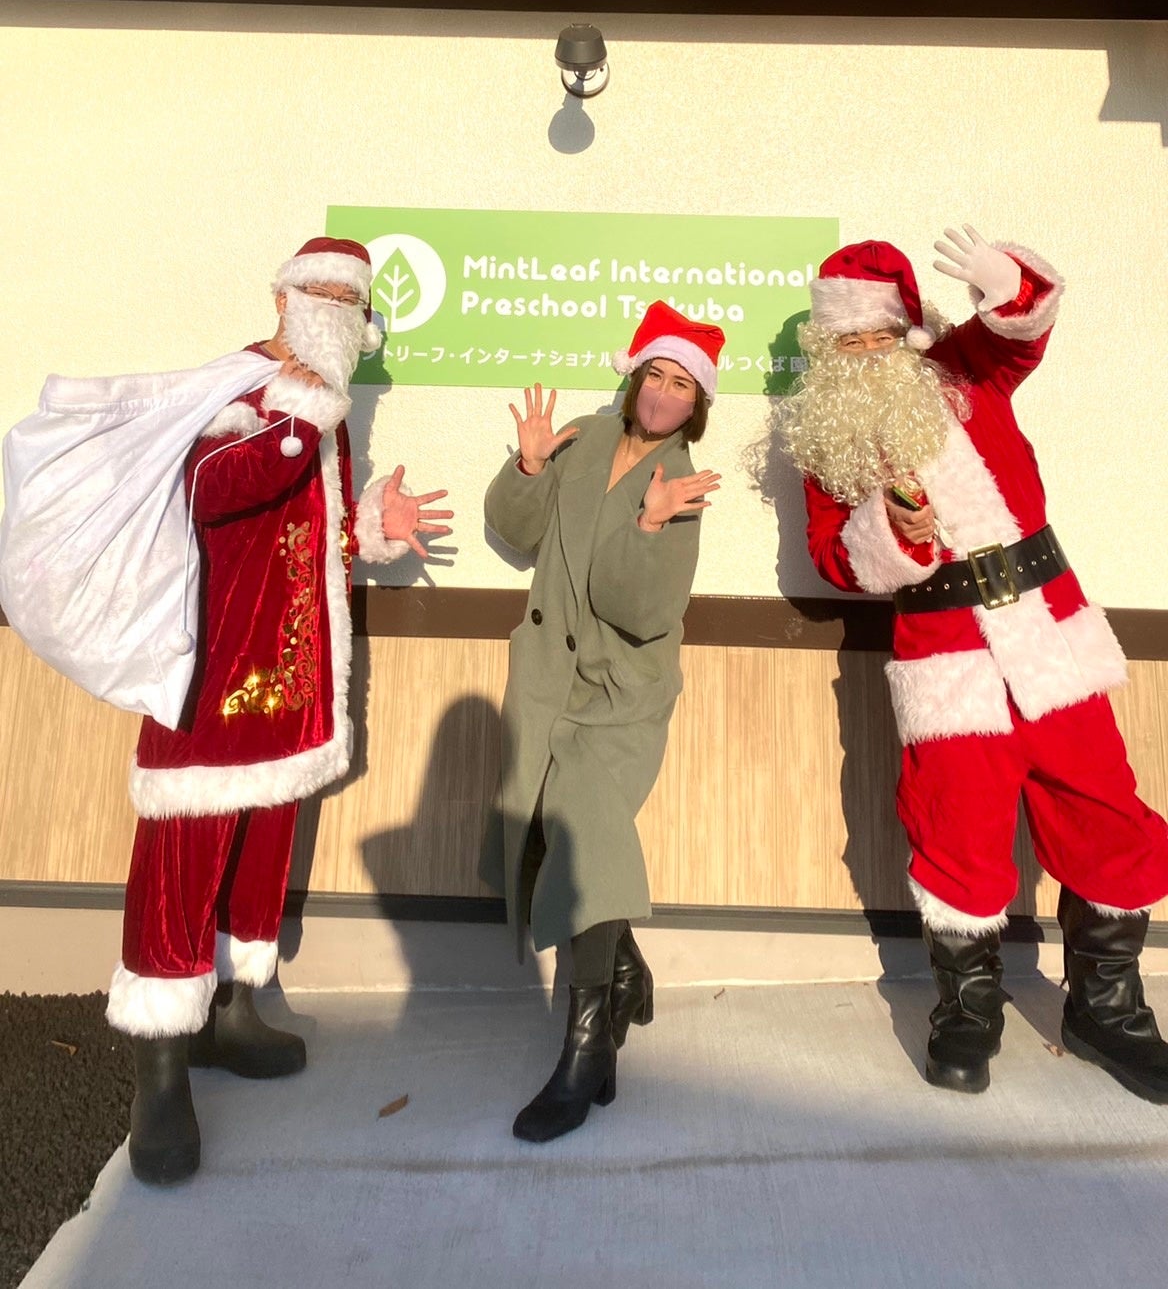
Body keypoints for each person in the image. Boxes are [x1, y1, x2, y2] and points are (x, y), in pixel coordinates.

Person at [781, 224, 1168, 1100]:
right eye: (851, 340)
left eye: (881, 334)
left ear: (910, 330)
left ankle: (1107, 1010)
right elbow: (832, 557)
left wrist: (1011, 283)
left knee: (1103, 810)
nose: (869, 352)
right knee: (957, 827)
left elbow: (1020, 330)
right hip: (945, 653)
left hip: (1048, 631)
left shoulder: (964, 370)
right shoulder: (828, 440)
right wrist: (891, 532)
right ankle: (968, 1010)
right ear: (830, 350)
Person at [105, 237, 452, 1183]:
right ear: (283, 298)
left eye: (351, 297)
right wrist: (297, 420)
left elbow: (302, 532)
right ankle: (160, 1065)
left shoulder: (323, 408)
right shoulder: (239, 389)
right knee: (183, 858)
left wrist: (366, 527)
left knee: (260, 851)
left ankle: (227, 1012)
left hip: (289, 685)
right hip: (210, 681)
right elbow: (206, 491)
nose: (336, 306)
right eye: (321, 291)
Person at [482, 300, 723, 1142]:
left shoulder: (681, 485)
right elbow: (515, 531)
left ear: (697, 405)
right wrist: (528, 465)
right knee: (540, 834)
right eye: (655, 374)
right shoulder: (582, 439)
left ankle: (585, 1051)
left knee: (584, 837)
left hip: (621, 694)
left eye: (682, 384)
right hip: (549, 677)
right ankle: (621, 975)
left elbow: (639, 608)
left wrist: (652, 524)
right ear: (633, 378)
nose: (662, 393)